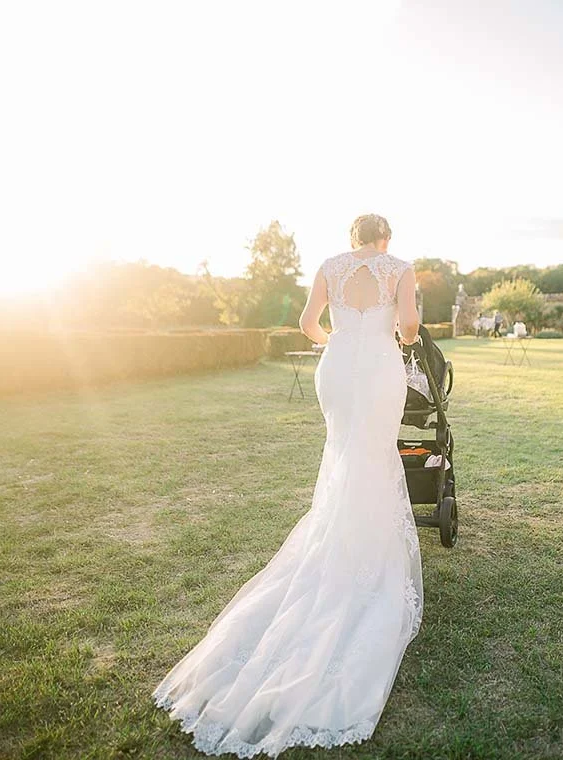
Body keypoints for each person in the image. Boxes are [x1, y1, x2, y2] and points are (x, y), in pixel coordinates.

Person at [153, 213, 424, 757]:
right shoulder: (401, 268)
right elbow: (411, 328)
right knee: (373, 457)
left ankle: (339, 542)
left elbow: (307, 322)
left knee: (344, 456)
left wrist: (340, 341)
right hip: (379, 369)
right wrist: (390, 336)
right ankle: (366, 556)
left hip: (340, 366)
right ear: (385, 238)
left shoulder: (329, 265)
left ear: (353, 240)